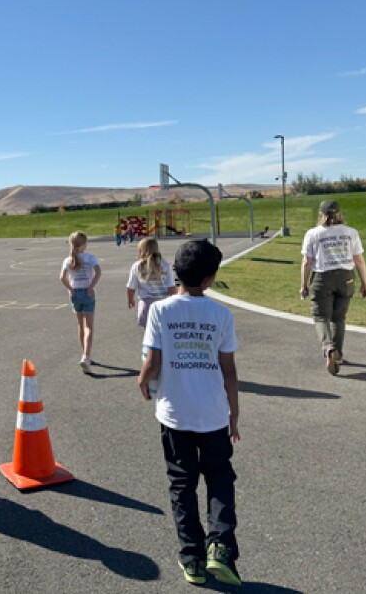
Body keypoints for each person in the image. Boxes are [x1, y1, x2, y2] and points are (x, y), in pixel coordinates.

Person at [137, 239, 242, 587]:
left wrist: (143, 380)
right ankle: (221, 548)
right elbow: (228, 370)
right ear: (210, 278)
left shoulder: (161, 311)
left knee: (182, 485)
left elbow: (153, 361)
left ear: (175, 272)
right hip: (213, 412)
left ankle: (192, 558)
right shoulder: (221, 314)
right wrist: (234, 414)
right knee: (220, 479)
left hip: (175, 414)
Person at [300, 199, 366, 375]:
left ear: (321, 215)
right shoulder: (351, 232)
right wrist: (364, 283)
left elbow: (306, 262)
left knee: (320, 316)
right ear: (339, 213)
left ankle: (328, 347)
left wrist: (303, 285)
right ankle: (337, 355)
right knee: (339, 318)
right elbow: (359, 260)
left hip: (323, 278)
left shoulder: (313, 234)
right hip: (346, 277)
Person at [59, 231, 101, 374]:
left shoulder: (68, 260)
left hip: (75, 292)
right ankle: (87, 356)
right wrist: (91, 286)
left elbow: (62, 278)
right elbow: (98, 272)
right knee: (89, 326)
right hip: (87, 291)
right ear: (83, 245)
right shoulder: (90, 258)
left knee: (80, 324)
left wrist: (70, 288)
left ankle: (84, 352)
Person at [127, 237, 177, 328]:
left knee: (148, 335)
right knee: (163, 332)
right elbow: (171, 286)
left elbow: (131, 287)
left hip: (146, 303)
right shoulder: (165, 264)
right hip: (163, 303)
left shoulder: (137, 266)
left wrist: (131, 299)